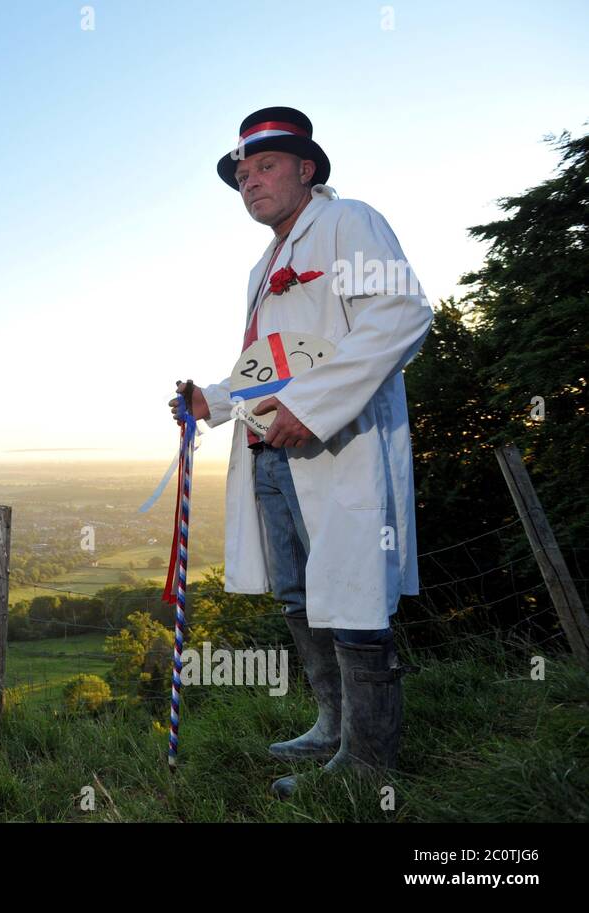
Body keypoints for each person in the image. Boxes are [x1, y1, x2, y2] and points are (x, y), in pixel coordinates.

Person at [167, 107, 434, 798]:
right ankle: (331, 723)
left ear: (305, 169)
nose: (249, 182)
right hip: (269, 453)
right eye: (242, 173)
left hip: (338, 448)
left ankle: (370, 762)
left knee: (351, 593)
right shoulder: (264, 265)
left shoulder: (350, 223)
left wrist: (311, 409)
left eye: (264, 167)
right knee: (299, 593)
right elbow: (268, 366)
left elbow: (402, 313)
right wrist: (214, 401)